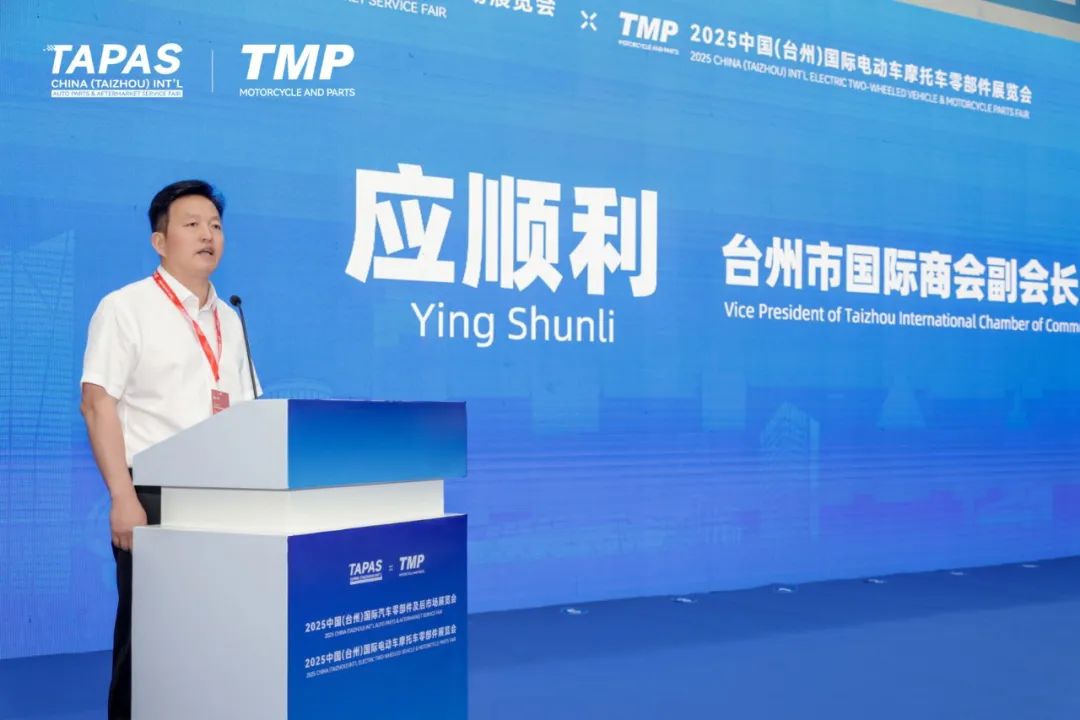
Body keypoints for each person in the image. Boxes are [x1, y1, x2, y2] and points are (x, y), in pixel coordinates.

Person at [80, 179, 258, 720]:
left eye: (216, 225)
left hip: (223, 500)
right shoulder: (126, 307)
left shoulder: (230, 318)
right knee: (147, 643)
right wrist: (122, 497)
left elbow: (247, 411)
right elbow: (97, 403)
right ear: (160, 241)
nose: (208, 235)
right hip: (153, 497)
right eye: (192, 224)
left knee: (212, 637)